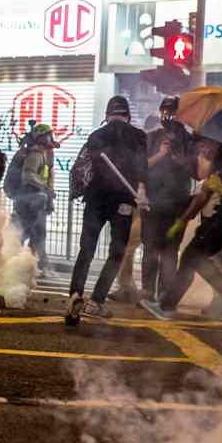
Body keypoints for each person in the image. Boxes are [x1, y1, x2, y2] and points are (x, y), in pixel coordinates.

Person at [140, 140, 222, 321]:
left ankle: (167, 306)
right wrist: (184, 219)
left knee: (191, 257)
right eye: (200, 147)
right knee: (194, 259)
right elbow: (204, 194)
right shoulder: (217, 162)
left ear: (217, 142)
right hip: (220, 217)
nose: (202, 150)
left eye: (205, 145)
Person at [66, 95, 148, 325]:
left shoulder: (96, 136)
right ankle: (96, 301)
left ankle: (75, 294)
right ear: (128, 115)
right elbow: (142, 165)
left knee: (87, 249)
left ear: (108, 114)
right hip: (123, 201)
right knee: (116, 252)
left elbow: (82, 166)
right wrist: (141, 190)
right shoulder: (138, 136)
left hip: (95, 200)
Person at [138, 96, 194, 301]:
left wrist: (182, 161)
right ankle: (147, 290)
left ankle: (164, 291)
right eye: (164, 111)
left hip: (178, 203)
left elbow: (197, 171)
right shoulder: (151, 137)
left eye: (172, 112)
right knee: (150, 247)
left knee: (170, 251)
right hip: (153, 203)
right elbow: (141, 167)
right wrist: (160, 155)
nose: (167, 116)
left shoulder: (189, 141)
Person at [12, 123, 57, 271]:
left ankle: (31, 265)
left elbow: (45, 178)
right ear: (43, 138)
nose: (52, 137)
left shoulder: (43, 154)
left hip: (35, 200)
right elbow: (27, 175)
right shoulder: (36, 154)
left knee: (33, 233)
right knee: (32, 232)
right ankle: (39, 264)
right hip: (29, 200)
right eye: (49, 135)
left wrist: (48, 199)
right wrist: (45, 190)